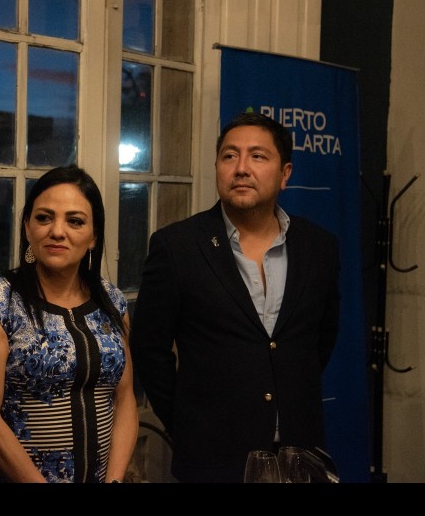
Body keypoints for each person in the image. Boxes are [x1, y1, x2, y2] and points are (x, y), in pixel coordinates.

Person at [130, 112, 340, 483]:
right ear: (217, 167)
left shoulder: (319, 247)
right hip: (212, 458)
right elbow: (149, 349)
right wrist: (187, 422)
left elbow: (319, 341)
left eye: (258, 156)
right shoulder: (178, 246)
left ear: (285, 174)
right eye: (229, 156)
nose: (241, 168)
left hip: (300, 455)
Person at [0, 164, 138, 483]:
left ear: (93, 236)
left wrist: (113, 480)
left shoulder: (112, 302)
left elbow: (125, 400)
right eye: (44, 218)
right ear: (27, 228)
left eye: (75, 221)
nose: (57, 231)